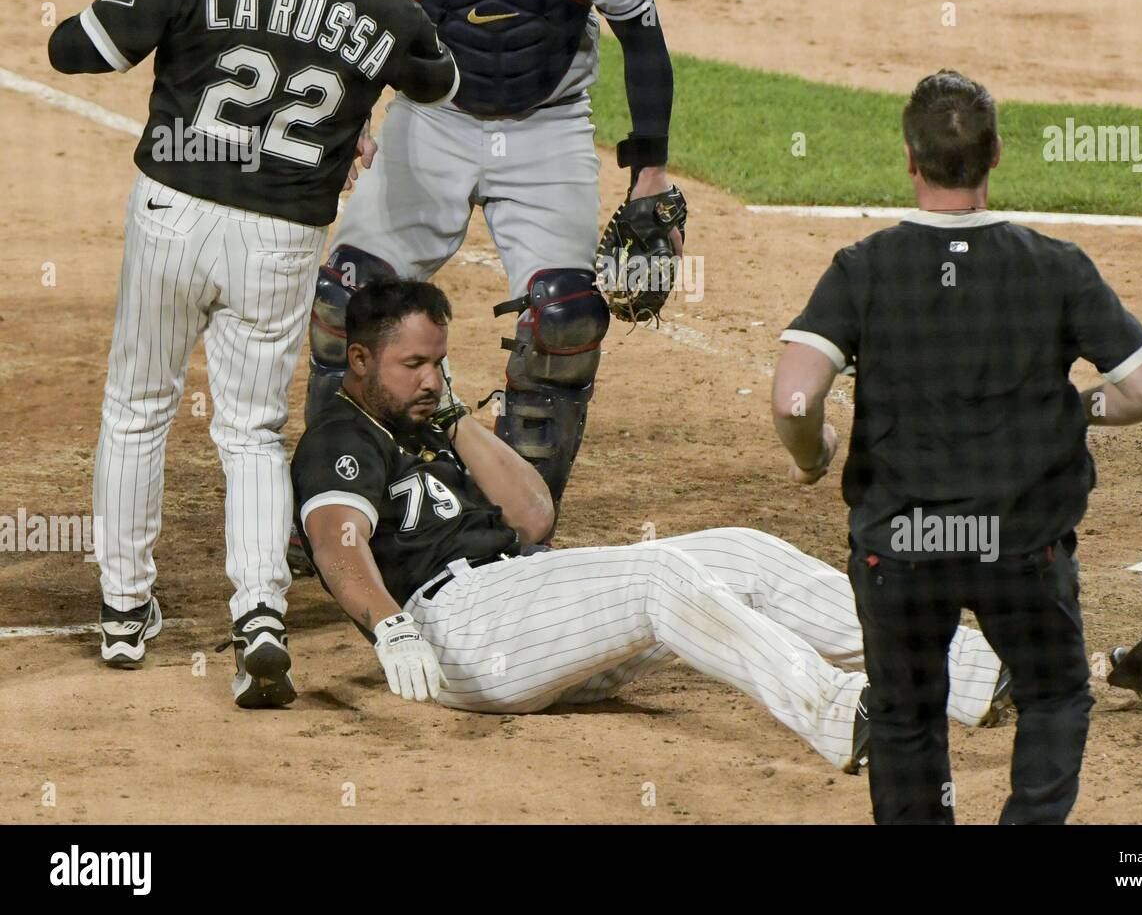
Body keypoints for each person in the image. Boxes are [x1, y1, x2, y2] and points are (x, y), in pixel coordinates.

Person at [46, 0, 459, 706]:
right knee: (249, 430)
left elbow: (72, 49)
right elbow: (441, 81)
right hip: (277, 241)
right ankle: (261, 617)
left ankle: (124, 615)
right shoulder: (385, 8)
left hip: (173, 216)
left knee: (136, 407)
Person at [289, 278, 1008, 768]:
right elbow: (337, 542)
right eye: (412, 363)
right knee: (659, 575)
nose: (429, 378)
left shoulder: (433, 424)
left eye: (438, 362)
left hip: (530, 612)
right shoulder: (339, 440)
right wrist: (390, 625)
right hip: (457, 628)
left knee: (744, 554)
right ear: (358, 359)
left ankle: (976, 669)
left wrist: (454, 417)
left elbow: (534, 515)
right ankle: (836, 712)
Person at [773, 70, 1142, 823]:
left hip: (900, 545)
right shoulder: (1056, 265)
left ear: (909, 160)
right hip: (1019, 543)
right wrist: (1077, 405)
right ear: (996, 156)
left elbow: (792, 397)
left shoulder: (864, 267)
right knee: (1054, 694)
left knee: (904, 714)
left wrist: (810, 453)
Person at [303, 0, 681, 524]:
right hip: (432, 118)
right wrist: (352, 120)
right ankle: (341, 495)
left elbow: (643, 39)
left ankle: (510, 516)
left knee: (565, 316)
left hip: (546, 128)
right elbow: (360, 25)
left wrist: (650, 171)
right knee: (345, 301)